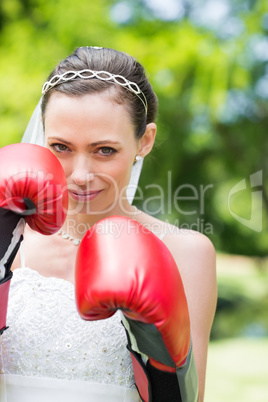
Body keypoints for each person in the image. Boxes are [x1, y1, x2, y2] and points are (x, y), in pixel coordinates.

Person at [0, 46, 217, 401]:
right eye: (61, 146)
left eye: (104, 150)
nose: (81, 175)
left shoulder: (185, 252)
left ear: (144, 141)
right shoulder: (12, 238)